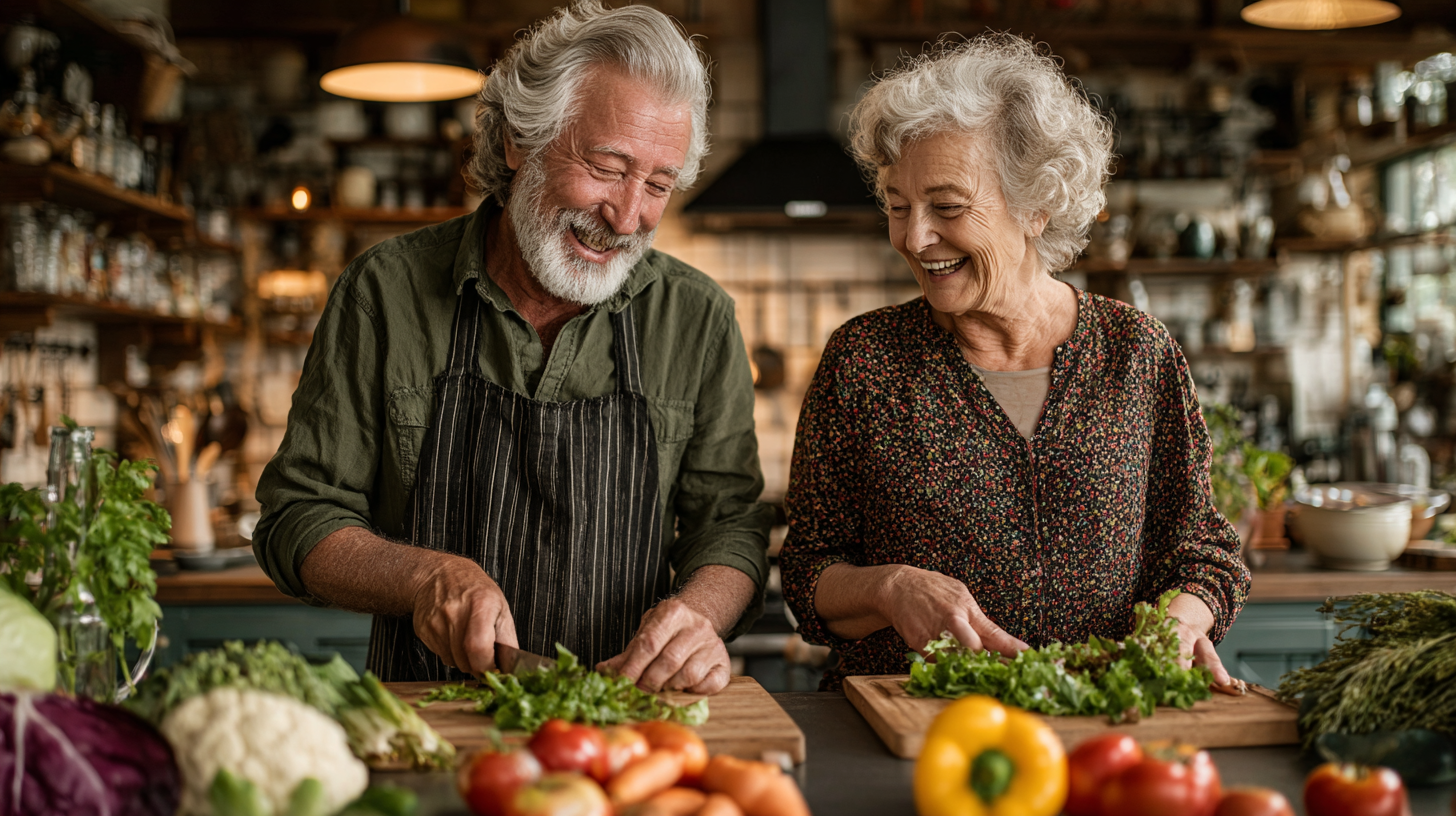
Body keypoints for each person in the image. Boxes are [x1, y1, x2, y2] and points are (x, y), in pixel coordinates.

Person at [253, 0, 773, 693]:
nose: (626, 216)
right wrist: (424, 578)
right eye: (607, 166)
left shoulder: (696, 316)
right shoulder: (387, 291)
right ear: (517, 142)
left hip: (627, 728)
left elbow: (730, 525)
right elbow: (298, 515)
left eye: (658, 184)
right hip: (430, 719)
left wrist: (698, 615)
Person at [778, 35, 1251, 691]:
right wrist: (890, 587)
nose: (915, 238)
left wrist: (1180, 620)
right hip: (911, 735)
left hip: (1101, 730)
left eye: (947, 207)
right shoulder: (866, 361)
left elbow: (1202, 550)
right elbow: (808, 572)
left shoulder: (1135, 351)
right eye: (896, 206)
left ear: (1037, 204)